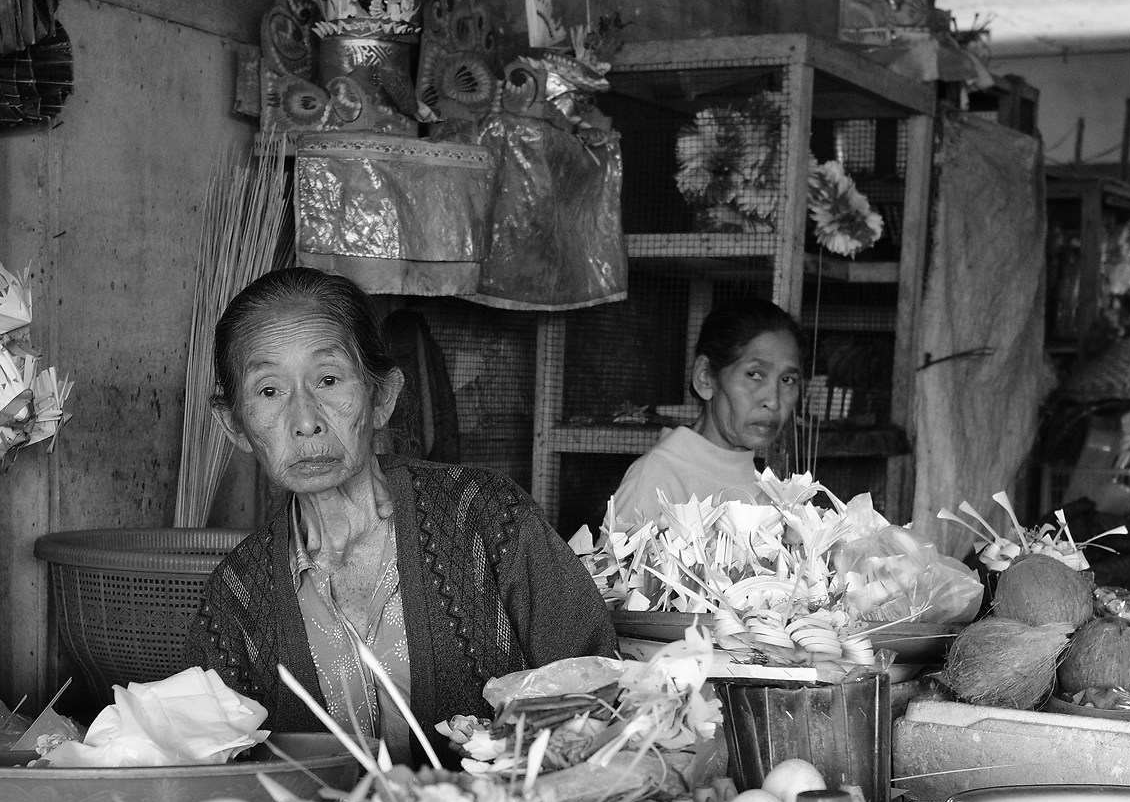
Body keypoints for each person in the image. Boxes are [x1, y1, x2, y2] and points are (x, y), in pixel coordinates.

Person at [185, 268, 615, 760]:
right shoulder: (238, 596)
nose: (305, 421)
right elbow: (211, 766)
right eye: (268, 391)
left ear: (382, 397)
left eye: (328, 380)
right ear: (234, 424)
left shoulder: (486, 520)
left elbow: (605, 699)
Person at [607, 303, 807, 532]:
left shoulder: (766, 492)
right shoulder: (656, 480)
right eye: (754, 374)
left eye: (787, 380)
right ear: (705, 378)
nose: (773, 401)